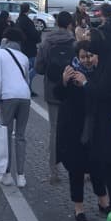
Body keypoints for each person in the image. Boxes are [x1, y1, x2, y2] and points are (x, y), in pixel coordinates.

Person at [56, 31, 111, 221]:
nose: (86, 60)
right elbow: (58, 95)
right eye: (83, 57)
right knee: (77, 169)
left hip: (94, 126)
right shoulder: (70, 70)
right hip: (73, 128)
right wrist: (64, 81)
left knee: (97, 165)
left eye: (89, 56)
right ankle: (79, 208)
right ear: (77, 57)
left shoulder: (99, 70)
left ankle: (103, 201)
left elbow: (102, 92)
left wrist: (87, 84)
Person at [35, 9, 75, 183]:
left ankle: (54, 171)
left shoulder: (47, 42)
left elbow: (38, 68)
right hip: (71, 90)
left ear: (57, 23)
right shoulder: (74, 42)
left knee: (54, 130)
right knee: (75, 129)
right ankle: (79, 167)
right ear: (69, 25)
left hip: (52, 89)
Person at [0, 26, 31, 188]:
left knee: (6, 135)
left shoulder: (0, 53)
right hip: (25, 97)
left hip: (8, 97)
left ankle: (7, 173)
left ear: (6, 39)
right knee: (20, 136)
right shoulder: (24, 57)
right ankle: (21, 176)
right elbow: (27, 79)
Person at [16, 2, 40, 97]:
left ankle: (28, 88)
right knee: (35, 67)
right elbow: (33, 34)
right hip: (29, 47)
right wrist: (38, 33)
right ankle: (26, 84)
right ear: (28, 10)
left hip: (22, 46)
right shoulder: (27, 21)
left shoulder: (19, 20)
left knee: (26, 68)